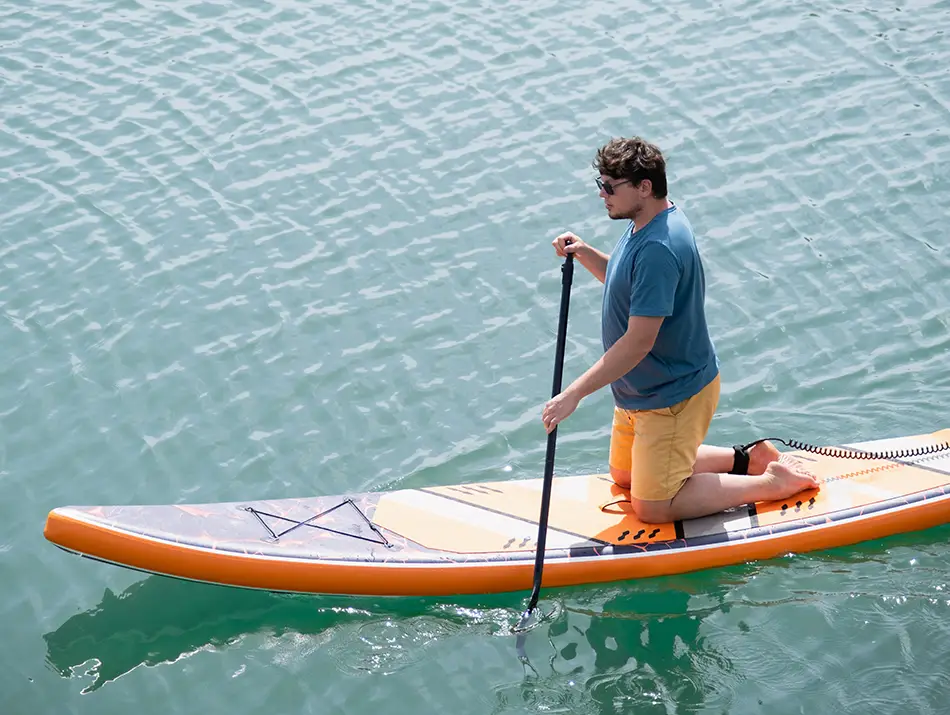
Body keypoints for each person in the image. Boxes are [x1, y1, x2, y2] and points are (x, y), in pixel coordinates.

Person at [542, 136, 818, 524]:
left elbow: (638, 343)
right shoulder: (647, 222)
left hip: (670, 396)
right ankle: (747, 458)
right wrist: (587, 253)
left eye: (609, 187)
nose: (602, 195)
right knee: (625, 477)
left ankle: (773, 482)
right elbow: (630, 285)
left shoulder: (659, 247)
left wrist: (572, 395)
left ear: (644, 186)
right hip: (639, 393)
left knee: (653, 506)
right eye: (600, 185)